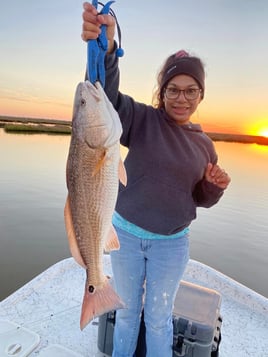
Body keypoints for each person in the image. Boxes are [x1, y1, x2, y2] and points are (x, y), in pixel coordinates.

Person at [82, 3, 231, 357]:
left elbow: (198, 199)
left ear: (201, 96)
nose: (181, 98)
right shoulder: (140, 120)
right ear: (162, 92)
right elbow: (107, 98)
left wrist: (213, 186)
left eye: (190, 90)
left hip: (171, 244)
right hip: (126, 237)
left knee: (160, 318)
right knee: (128, 314)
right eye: (173, 89)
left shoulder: (204, 145)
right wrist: (107, 49)